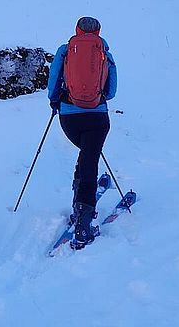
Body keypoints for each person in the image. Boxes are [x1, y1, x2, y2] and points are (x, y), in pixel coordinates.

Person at [47, 16, 117, 249]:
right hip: (97, 117)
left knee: (86, 157)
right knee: (90, 161)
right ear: (98, 31)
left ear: (76, 30)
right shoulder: (105, 52)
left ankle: (79, 203)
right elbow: (112, 90)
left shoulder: (66, 50)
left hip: (69, 118)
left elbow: (53, 80)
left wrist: (56, 101)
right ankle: (83, 224)